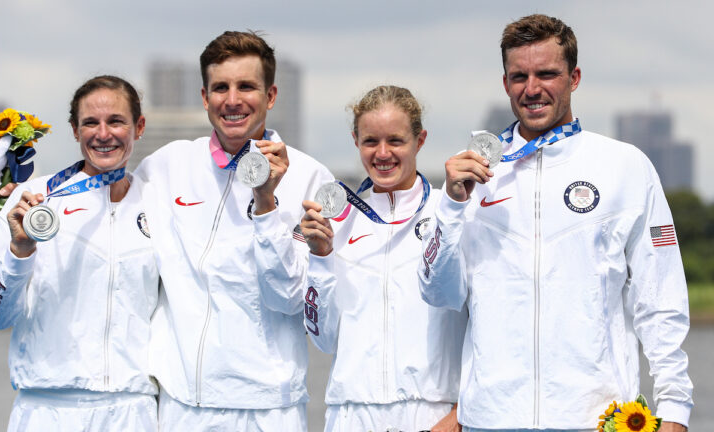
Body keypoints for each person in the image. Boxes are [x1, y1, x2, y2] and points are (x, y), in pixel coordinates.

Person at [418, 14, 693, 432]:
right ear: (505, 81)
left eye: (547, 74)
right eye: (519, 76)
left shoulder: (625, 167)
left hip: (595, 420)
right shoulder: (471, 176)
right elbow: (438, 293)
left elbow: (660, 299)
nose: (532, 89)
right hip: (490, 421)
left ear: (574, 77)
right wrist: (452, 208)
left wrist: (674, 410)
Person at [134, 31, 333, 430]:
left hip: (269, 407)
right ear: (204, 97)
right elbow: (107, 211)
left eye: (247, 86)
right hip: (182, 403)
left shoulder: (312, 178)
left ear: (271, 95)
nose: (232, 99)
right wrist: (17, 197)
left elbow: (291, 298)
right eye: (220, 87)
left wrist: (266, 203)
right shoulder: (166, 166)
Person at [0, 75, 159, 431]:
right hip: (47, 410)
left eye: (116, 121)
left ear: (139, 126)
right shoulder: (30, 201)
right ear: (75, 130)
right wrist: (20, 250)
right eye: (90, 122)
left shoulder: (159, 202)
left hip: (134, 411)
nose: (103, 134)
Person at [300, 85, 466, 432]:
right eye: (371, 141)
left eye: (396, 140)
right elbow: (323, 338)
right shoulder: (336, 223)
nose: (383, 153)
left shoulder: (448, 210)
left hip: (431, 412)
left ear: (420, 141)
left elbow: (484, 320)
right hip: (351, 414)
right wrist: (320, 259)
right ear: (355, 141)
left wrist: (460, 413)